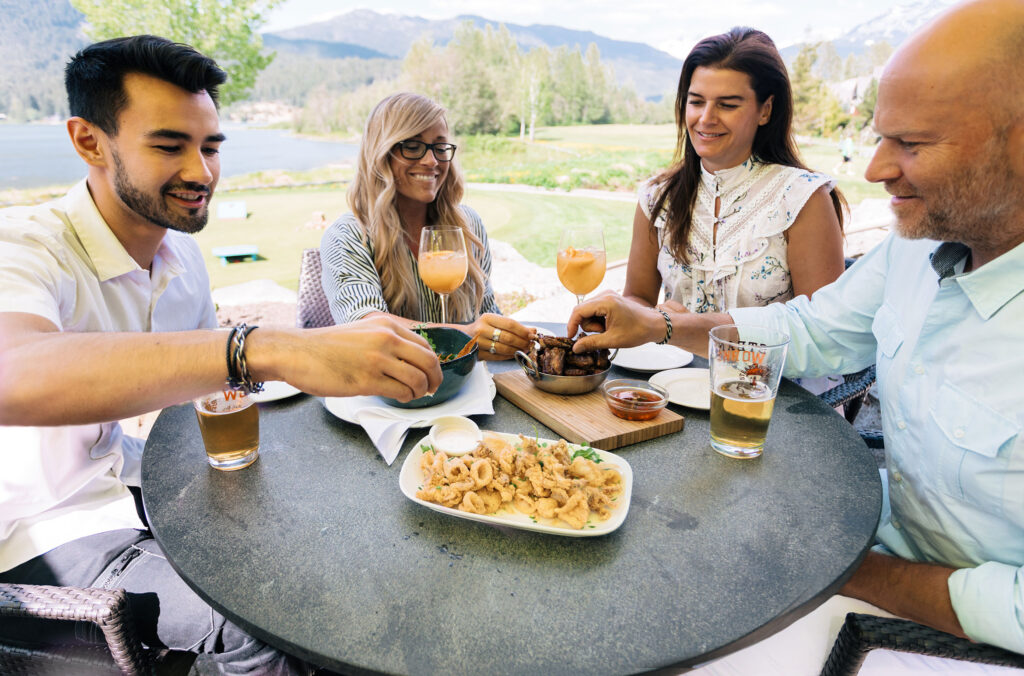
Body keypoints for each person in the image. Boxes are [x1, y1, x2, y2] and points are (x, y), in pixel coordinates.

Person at [567, 0, 1024, 672]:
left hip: (940, 628)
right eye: (880, 136)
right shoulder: (917, 249)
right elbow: (809, 328)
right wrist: (660, 323)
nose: (874, 169)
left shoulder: (803, 195)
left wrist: (847, 568)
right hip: (873, 535)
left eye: (913, 143)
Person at [0, 36, 442, 674]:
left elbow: (211, 397)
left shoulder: (182, 257)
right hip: (44, 530)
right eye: (168, 145)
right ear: (89, 141)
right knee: (279, 622)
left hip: (145, 488)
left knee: (355, 551)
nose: (201, 172)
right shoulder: (26, 247)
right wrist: (261, 347)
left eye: (209, 147)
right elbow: (15, 372)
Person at [624, 27, 846, 316]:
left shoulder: (803, 199)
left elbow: (823, 329)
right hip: (669, 364)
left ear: (765, 110)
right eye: (696, 101)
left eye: (727, 105)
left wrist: (676, 327)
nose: (706, 119)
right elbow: (637, 298)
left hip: (772, 364)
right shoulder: (658, 198)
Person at [320, 92, 535, 359]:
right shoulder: (348, 236)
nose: (431, 161)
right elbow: (365, 326)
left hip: (469, 392)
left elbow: (486, 314)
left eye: (440, 147)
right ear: (381, 153)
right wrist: (466, 335)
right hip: (389, 398)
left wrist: (509, 338)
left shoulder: (468, 225)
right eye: (412, 146)